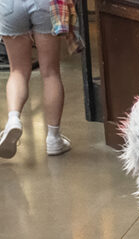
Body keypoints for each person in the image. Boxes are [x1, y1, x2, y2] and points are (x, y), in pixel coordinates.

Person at [0, 0, 74, 159]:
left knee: (17, 71)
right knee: (50, 72)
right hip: (45, 4)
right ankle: (54, 138)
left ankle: (13, 120)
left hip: (10, 4)